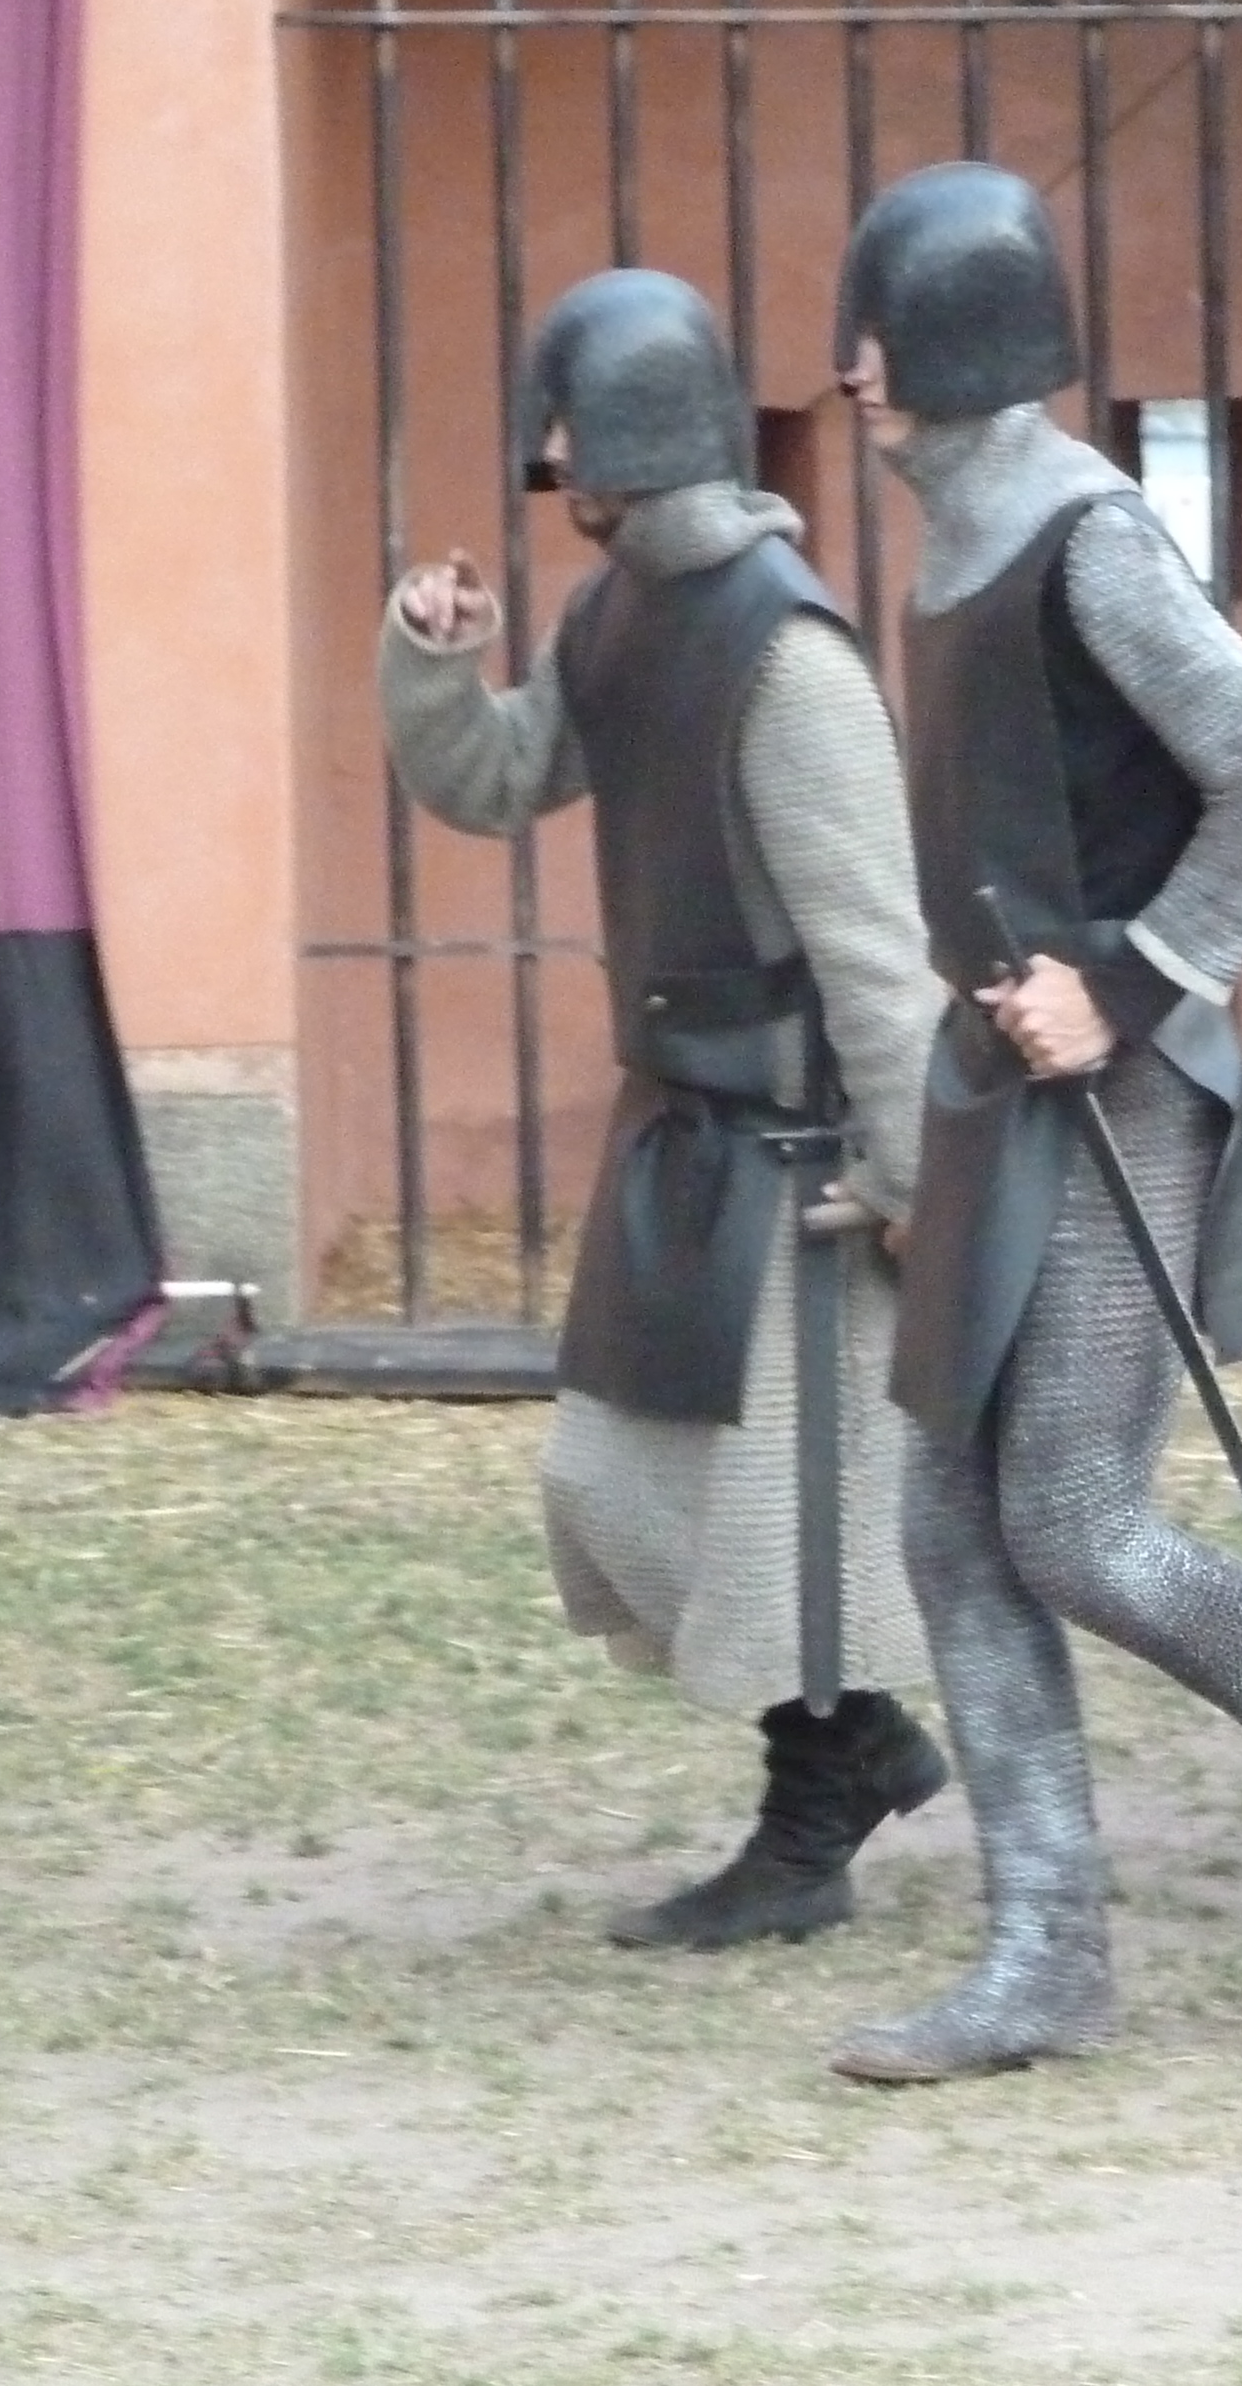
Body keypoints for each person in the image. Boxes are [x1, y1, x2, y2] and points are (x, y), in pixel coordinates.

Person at [826, 161, 1242, 2084]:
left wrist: (1123, 985)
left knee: (1069, 1515)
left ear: (953, 341)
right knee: (950, 1521)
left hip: (1121, 1089)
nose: (852, 366)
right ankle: (1044, 1956)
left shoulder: (1088, 539)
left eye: (875, 329)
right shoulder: (964, 540)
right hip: (1005, 1085)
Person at [379, 268, 953, 1950]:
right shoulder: (619, 611)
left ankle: (812, 1829)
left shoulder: (786, 654)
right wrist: (435, 662)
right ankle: (867, 1750)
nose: (554, 460)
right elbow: (499, 776)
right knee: (616, 1484)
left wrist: (912, 1176)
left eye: (569, 429)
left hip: (796, 1152)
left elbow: (876, 952)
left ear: (624, 431)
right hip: (684, 1132)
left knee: (781, 1527)